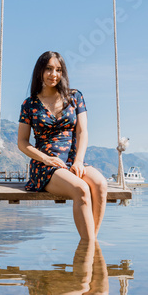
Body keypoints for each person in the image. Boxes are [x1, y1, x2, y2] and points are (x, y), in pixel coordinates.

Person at [17, 51, 107, 241]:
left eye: (58, 70)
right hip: (46, 165)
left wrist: (79, 161)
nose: (53, 74)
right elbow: (22, 142)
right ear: (40, 71)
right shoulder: (29, 104)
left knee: (100, 184)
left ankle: (90, 246)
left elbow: (82, 132)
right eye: (48, 69)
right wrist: (46, 158)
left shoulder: (75, 97)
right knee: (81, 189)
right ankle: (89, 251)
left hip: (73, 161)